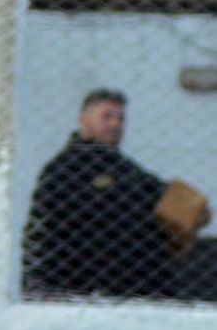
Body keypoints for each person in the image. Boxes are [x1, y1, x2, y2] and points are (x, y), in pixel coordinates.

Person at [22, 88, 175, 298]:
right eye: (107, 117)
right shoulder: (62, 170)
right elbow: (40, 231)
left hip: (136, 288)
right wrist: (43, 286)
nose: (115, 124)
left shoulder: (125, 169)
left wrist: (194, 208)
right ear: (84, 119)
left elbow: (164, 195)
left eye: (121, 119)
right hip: (82, 287)